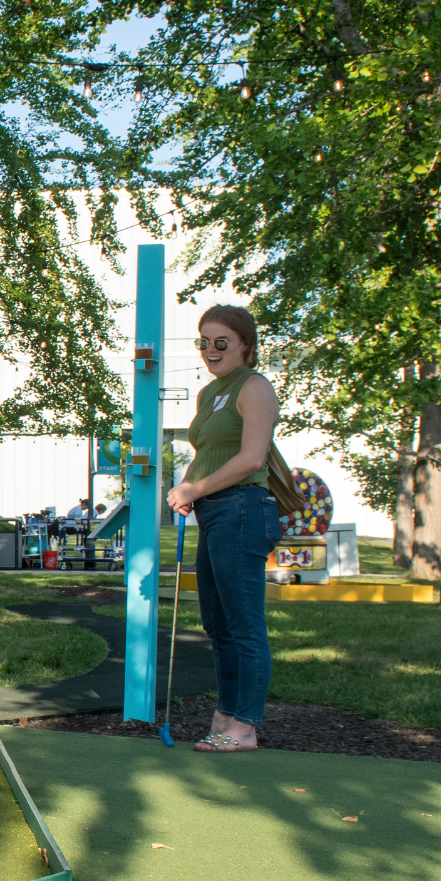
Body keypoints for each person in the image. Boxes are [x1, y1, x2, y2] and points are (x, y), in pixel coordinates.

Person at [166, 304, 284, 752]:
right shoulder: (210, 393)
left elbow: (252, 458)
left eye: (221, 343)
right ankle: (227, 715)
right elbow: (204, 450)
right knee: (218, 623)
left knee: (245, 624)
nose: (210, 351)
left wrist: (196, 490)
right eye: (204, 342)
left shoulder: (254, 388)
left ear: (245, 346)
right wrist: (186, 485)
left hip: (243, 508)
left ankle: (244, 726)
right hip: (215, 511)